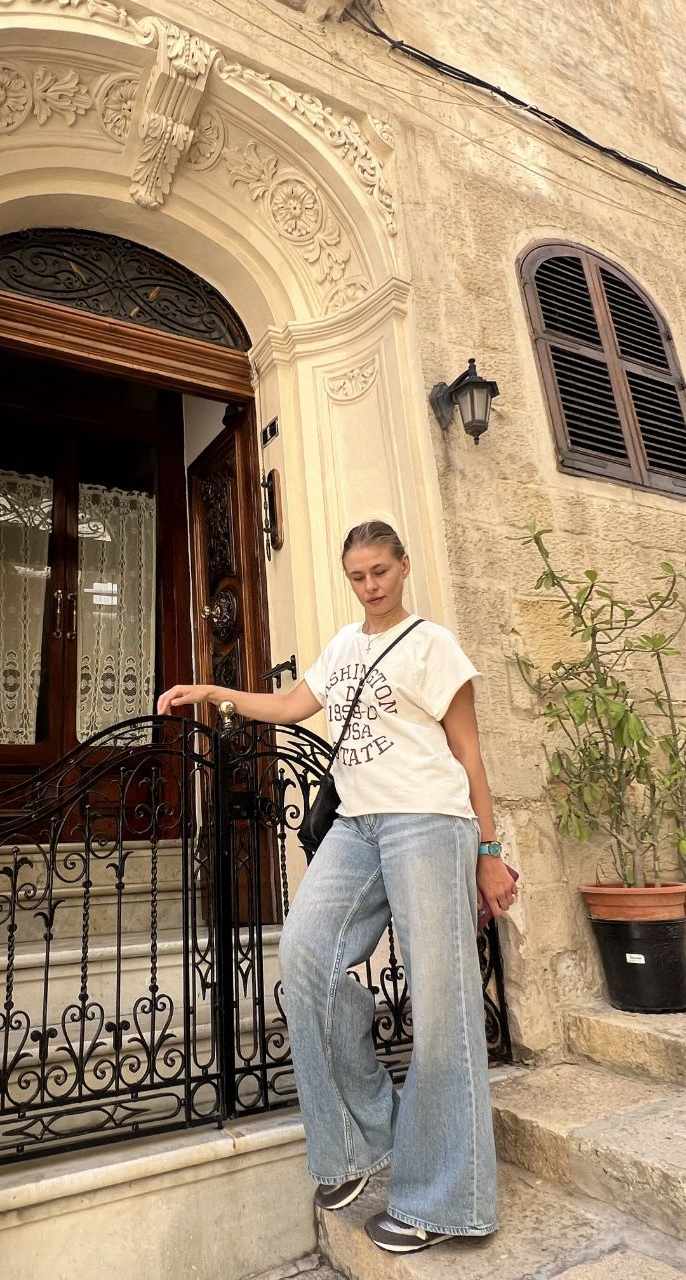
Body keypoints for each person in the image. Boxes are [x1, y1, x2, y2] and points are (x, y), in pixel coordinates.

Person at [157, 520, 517, 1255]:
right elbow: (292, 705)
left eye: (381, 571)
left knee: (442, 1003)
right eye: (357, 575)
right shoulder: (344, 646)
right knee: (305, 952)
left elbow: (469, 753)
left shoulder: (433, 645)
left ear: (404, 566)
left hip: (429, 820)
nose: (370, 585)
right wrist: (215, 692)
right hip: (356, 825)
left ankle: (445, 1201)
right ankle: (360, 1139)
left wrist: (489, 851)